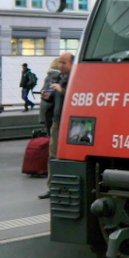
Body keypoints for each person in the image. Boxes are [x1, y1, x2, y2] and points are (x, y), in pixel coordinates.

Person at [39, 52, 73, 199]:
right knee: (53, 155)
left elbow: (77, 95)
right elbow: (55, 98)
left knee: (70, 157)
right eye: (60, 62)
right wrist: (49, 95)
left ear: (72, 64)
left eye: (64, 63)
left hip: (72, 124)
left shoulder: (77, 78)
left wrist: (62, 90)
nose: (60, 65)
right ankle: (53, 187)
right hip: (57, 121)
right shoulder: (59, 77)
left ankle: (68, 187)